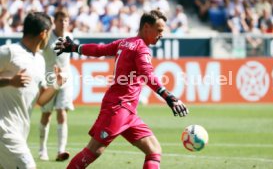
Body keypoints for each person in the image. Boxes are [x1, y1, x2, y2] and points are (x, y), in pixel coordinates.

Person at [55, 9, 189, 169]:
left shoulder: (124, 43)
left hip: (127, 111)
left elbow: (100, 50)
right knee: (94, 150)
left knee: (154, 149)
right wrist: (169, 97)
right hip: (118, 108)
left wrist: (75, 48)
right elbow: (148, 74)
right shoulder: (141, 48)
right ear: (147, 27)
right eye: (159, 30)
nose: (162, 34)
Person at [0, 12, 65, 169]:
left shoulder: (39, 60)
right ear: (43, 34)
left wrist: (56, 85)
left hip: (19, 131)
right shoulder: (8, 52)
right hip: (4, 130)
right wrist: (10, 81)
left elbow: (41, 100)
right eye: (49, 33)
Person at [39, 10, 74, 162]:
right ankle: (42, 149)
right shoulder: (47, 37)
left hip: (65, 79)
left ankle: (61, 150)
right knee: (47, 114)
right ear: (55, 21)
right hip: (48, 79)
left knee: (62, 112)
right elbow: (38, 54)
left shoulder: (70, 37)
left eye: (65, 20)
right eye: (60, 20)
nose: (63, 23)